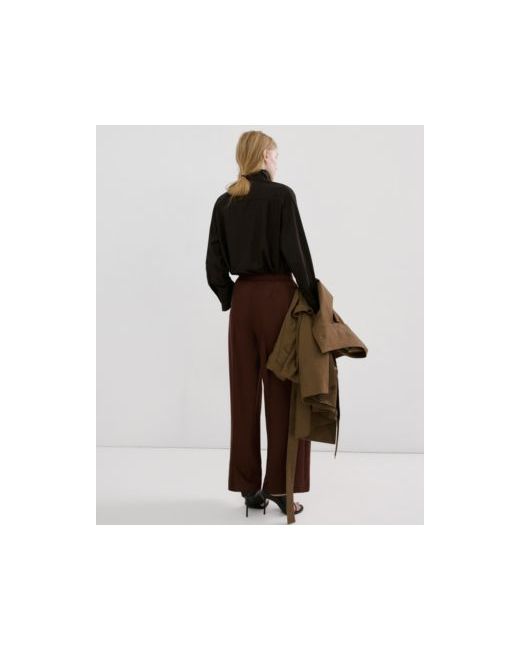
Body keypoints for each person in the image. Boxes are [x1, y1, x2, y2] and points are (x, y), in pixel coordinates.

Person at [205, 130, 320, 517]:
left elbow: (214, 265)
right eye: (275, 154)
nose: (276, 161)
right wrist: (312, 301)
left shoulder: (225, 202)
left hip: (243, 304)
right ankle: (282, 489)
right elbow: (298, 254)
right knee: (284, 394)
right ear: (266, 155)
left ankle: (248, 487)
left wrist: (231, 297)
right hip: (278, 302)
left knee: (243, 395)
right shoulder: (281, 196)